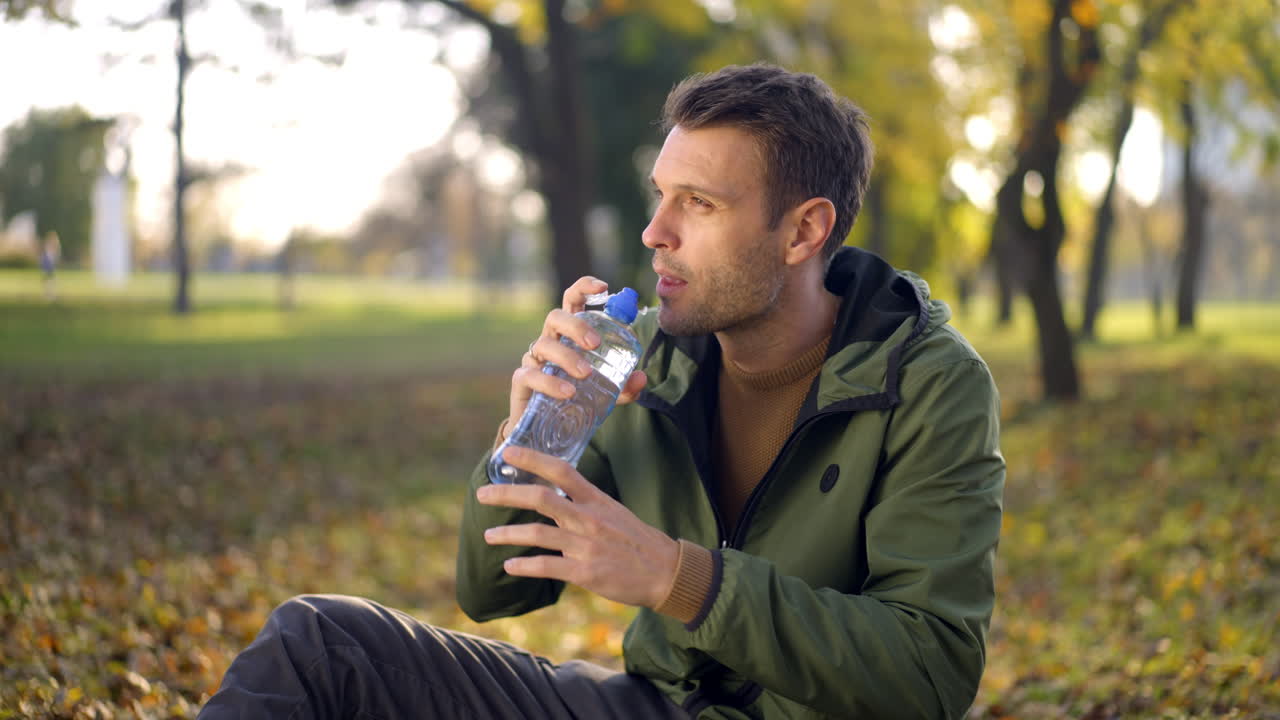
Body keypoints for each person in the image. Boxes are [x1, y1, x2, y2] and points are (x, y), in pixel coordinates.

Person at [199, 63, 1005, 720]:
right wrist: (526, 439)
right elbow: (493, 591)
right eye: (662, 194)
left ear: (803, 231)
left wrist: (677, 578)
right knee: (322, 644)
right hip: (649, 707)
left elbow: (930, 674)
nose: (656, 230)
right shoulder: (641, 354)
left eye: (700, 203)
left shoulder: (929, 383)